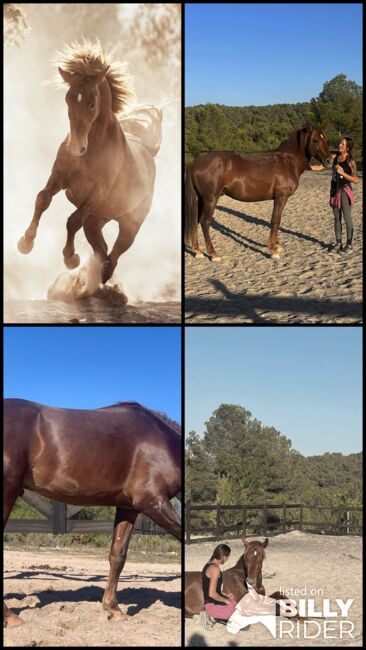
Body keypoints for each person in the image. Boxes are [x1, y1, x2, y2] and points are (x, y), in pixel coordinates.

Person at [311, 137, 359, 253]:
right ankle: (338, 243)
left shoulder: (350, 161)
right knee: (337, 218)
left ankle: (349, 244)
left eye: (342, 144)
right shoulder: (334, 157)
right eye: (340, 143)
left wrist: (342, 173)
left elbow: (355, 179)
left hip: (345, 191)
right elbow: (320, 167)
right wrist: (305, 167)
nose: (339, 145)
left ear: (347, 147)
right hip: (334, 191)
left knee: (347, 218)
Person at [201, 543, 237, 623]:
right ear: (224, 556)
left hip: (212, 602)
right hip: (211, 605)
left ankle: (217, 616)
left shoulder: (208, 565)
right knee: (235, 610)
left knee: (234, 603)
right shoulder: (215, 569)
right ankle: (212, 616)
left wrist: (225, 594)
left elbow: (213, 588)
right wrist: (225, 600)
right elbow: (211, 593)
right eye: (228, 557)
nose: (227, 559)